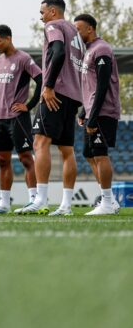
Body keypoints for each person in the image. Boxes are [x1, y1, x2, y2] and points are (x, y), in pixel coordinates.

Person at [16, 0, 85, 216]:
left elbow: (58, 51)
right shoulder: (75, 32)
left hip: (56, 92)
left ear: (53, 12)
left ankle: (41, 200)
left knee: (40, 142)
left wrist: (49, 86)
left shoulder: (53, 25)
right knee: (67, 150)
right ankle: (66, 205)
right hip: (74, 95)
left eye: (43, 12)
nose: (41, 16)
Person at [0, 25, 42, 215]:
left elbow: (42, 80)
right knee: (2, 160)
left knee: (26, 158)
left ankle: (34, 200)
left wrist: (29, 104)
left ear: (8, 38)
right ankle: (4, 204)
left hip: (18, 117)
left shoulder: (24, 58)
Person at [74, 14, 121, 216]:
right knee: (89, 153)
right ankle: (109, 200)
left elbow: (102, 86)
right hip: (93, 110)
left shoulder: (102, 49)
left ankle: (108, 203)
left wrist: (93, 116)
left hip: (103, 111)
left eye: (79, 29)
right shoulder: (89, 51)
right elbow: (90, 86)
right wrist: (84, 110)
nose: (77, 33)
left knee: (100, 154)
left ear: (90, 29)